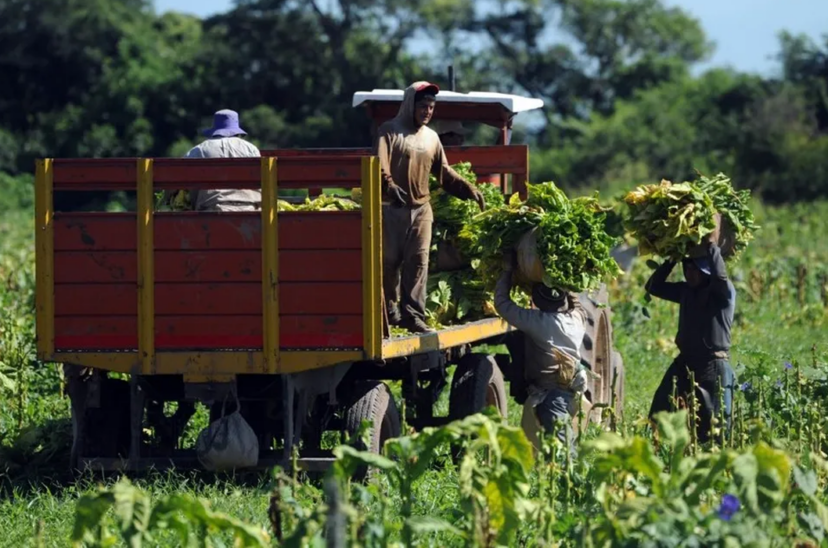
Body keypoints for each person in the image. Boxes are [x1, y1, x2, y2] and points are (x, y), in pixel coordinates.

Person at [376, 81, 486, 333]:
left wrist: (467, 188)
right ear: (409, 106)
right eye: (423, 106)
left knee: (418, 262)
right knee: (389, 263)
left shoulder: (432, 138)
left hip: (421, 209)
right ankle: (390, 311)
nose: (427, 111)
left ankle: (413, 315)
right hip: (392, 208)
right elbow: (379, 165)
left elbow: (444, 173)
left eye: (431, 107)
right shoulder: (389, 131)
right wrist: (389, 185)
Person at [494, 252, 589, 453]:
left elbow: (503, 305)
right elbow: (578, 304)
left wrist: (507, 272)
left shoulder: (539, 323)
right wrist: (564, 278)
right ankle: (560, 479)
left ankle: (569, 482)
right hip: (568, 391)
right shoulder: (576, 319)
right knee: (553, 444)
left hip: (552, 395)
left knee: (562, 451)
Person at [645, 242, 736, 444]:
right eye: (686, 269)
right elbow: (653, 286)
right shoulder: (686, 291)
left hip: (712, 365)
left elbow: (720, 277)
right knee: (661, 409)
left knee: (715, 425)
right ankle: (661, 451)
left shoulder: (722, 293)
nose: (689, 274)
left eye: (694, 269)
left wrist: (712, 247)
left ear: (705, 271)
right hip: (685, 363)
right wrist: (672, 259)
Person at [180, 109, 262, 212]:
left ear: (215, 130)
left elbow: (182, 177)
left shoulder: (200, 149)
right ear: (237, 131)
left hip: (211, 211)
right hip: (250, 210)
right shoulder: (251, 149)